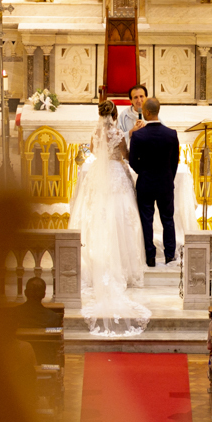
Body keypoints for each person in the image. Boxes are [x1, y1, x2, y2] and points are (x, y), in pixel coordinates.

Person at [66, 100, 150, 336]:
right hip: (116, 173)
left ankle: (94, 260)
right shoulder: (118, 133)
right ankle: (123, 264)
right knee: (121, 216)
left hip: (98, 173)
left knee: (96, 214)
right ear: (114, 115)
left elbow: (94, 152)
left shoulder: (95, 133)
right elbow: (125, 155)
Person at [128, 97, 180, 267]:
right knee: (168, 219)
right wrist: (168, 177)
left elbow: (133, 162)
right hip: (165, 183)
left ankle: (150, 257)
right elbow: (174, 161)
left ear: (147, 112)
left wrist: (144, 172)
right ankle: (170, 255)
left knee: (146, 220)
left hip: (146, 183)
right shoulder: (171, 134)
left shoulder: (138, 135)